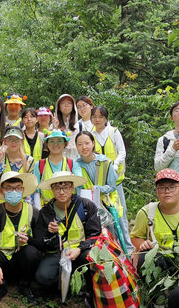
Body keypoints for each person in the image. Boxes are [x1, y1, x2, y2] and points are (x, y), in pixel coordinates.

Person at [32, 172, 102, 303]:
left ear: (73, 188)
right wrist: (49, 233)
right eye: (57, 188)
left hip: (80, 253)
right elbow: (40, 241)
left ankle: (88, 289)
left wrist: (79, 249)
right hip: (56, 254)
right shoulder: (46, 212)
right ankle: (64, 287)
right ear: (52, 189)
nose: (61, 192)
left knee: (90, 258)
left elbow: (96, 235)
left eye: (66, 187)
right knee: (43, 277)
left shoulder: (86, 206)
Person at [0, 172, 42, 305]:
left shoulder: (33, 212)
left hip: (22, 263)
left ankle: (25, 285)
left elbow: (40, 242)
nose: (14, 192)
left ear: (23, 190)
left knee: (32, 252)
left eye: (18, 188)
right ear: (1, 191)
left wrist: (28, 240)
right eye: (9, 188)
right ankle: (0, 287)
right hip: (2, 263)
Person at [130, 168, 179, 271]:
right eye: (162, 188)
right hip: (160, 259)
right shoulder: (147, 213)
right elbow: (135, 237)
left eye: (172, 187)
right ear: (156, 191)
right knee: (143, 258)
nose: (167, 191)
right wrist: (142, 244)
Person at [91, 105, 133, 252]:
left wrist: (114, 165)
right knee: (103, 216)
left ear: (106, 118)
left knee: (120, 213)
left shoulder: (113, 132)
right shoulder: (90, 134)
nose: (97, 120)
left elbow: (122, 152)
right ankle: (111, 248)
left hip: (116, 181)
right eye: (94, 117)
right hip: (99, 182)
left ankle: (127, 248)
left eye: (100, 117)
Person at [74, 131, 124, 241]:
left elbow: (112, 186)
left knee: (111, 236)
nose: (84, 147)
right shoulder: (74, 165)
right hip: (84, 208)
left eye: (87, 143)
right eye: (80, 144)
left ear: (93, 143)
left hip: (106, 206)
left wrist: (99, 189)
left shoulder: (105, 162)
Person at [33, 130, 83, 208]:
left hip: (69, 208)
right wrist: (39, 211)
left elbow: (80, 185)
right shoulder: (39, 165)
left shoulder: (73, 164)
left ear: (65, 144)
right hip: (47, 209)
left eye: (59, 141)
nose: (55, 144)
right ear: (47, 144)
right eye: (52, 141)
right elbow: (36, 191)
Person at [53, 93, 79, 158]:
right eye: (63, 103)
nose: (66, 105)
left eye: (69, 103)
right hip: (60, 159)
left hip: (76, 159)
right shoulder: (54, 125)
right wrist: (55, 128)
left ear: (73, 107)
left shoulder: (80, 125)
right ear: (59, 108)